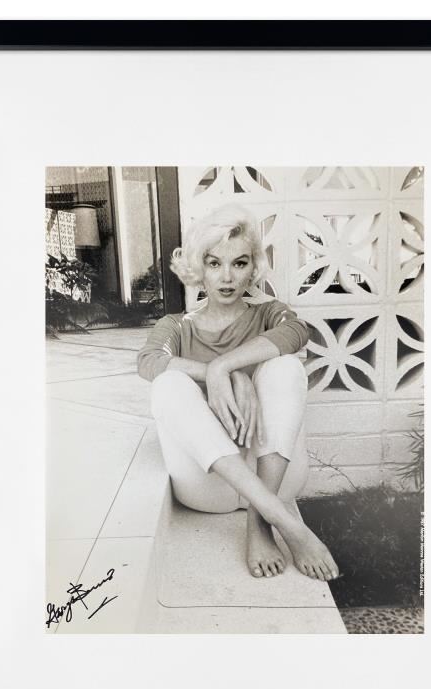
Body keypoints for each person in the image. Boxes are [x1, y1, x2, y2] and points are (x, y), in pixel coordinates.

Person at [137, 204, 339, 582]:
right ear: (198, 267)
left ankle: (259, 524)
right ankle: (284, 523)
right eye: (214, 263)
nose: (227, 277)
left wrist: (223, 367)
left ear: (253, 267)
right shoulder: (176, 326)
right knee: (167, 383)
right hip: (206, 485)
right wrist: (219, 376)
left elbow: (297, 332)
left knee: (285, 365)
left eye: (239, 263)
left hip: (275, 477)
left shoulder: (269, 314)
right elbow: (148, 361)